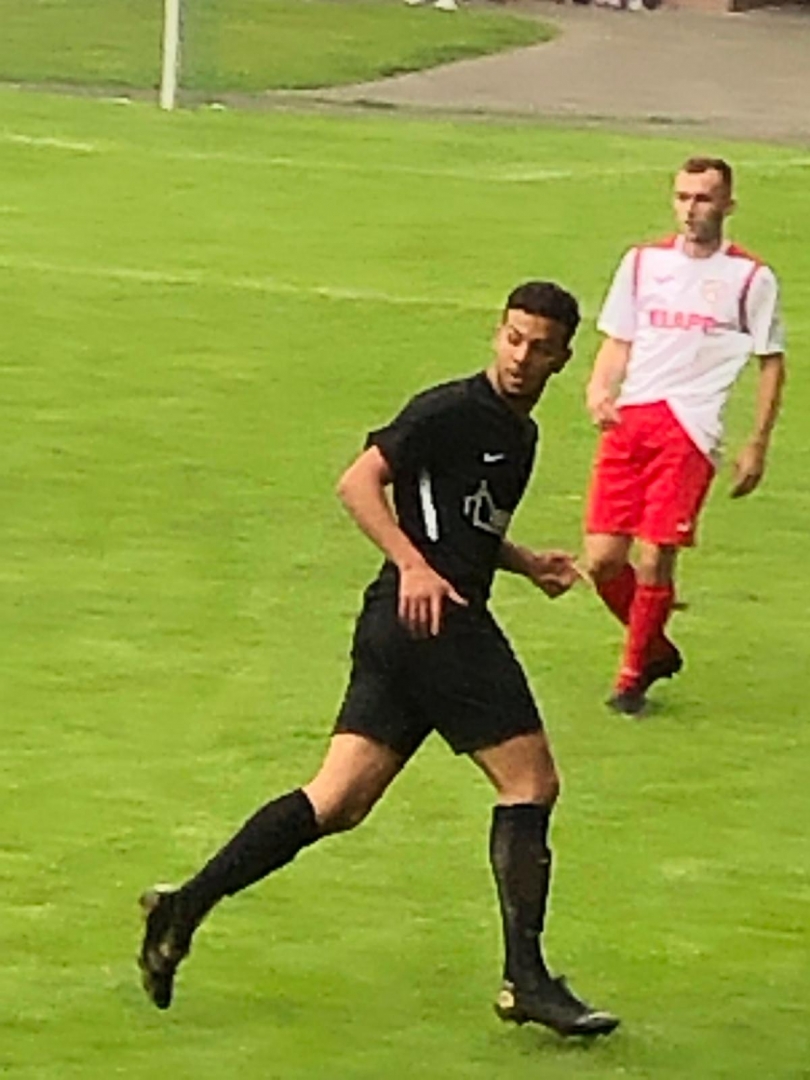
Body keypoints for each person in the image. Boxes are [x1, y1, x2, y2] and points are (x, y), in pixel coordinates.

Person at [138, 281, 620, 1038]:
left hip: (399, 627)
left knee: (338, 800)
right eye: (513, 339)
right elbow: (358, 482)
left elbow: (460, 522)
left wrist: (525, 562)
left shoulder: (518, 434)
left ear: (563, 358)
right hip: (436, 622)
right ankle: (525, 980)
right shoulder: (450, 410)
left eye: (539, 348)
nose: (521, 358)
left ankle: (183, 906)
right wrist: (414, 566)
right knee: (530, 782)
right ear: (496, 333)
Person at [584, 156, 786, 715]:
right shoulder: (642, 263)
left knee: (655, 556)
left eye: (702, 198)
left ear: (727, 205)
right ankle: (654, 647)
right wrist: (600, 387)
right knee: (601, 560)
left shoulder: (750, 278)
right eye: (682, 197)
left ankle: (630, 679)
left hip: (690, 429)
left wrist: (757, 442)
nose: (691, 209)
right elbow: (619, 338)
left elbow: (771, 361)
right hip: (631, 421)